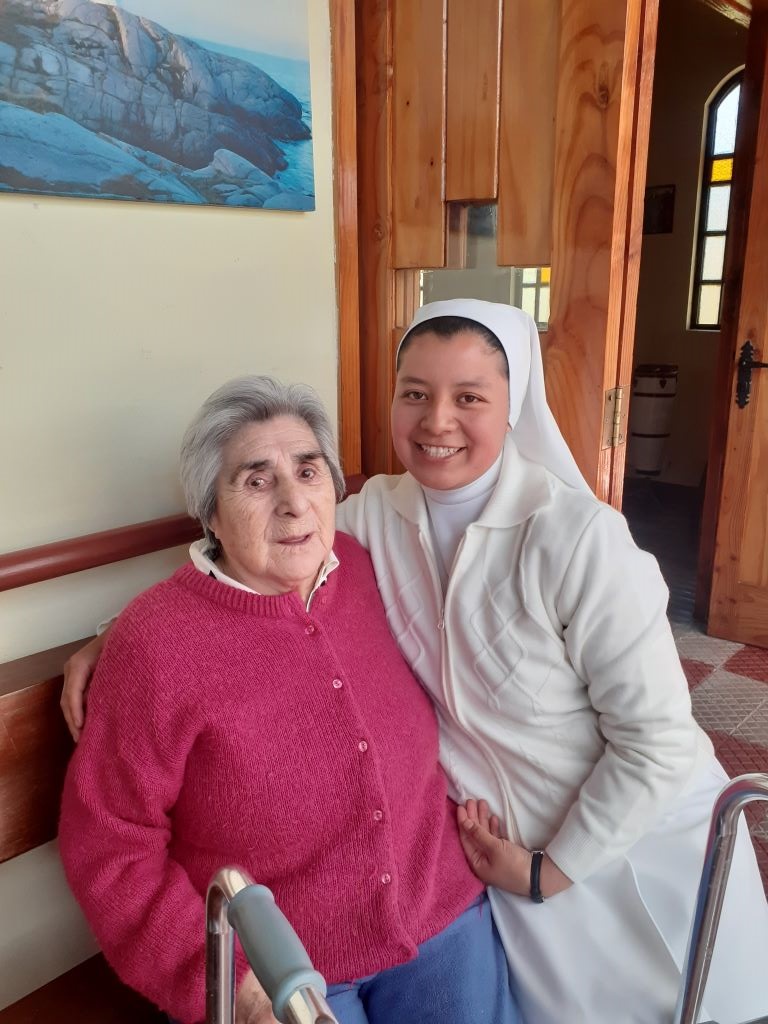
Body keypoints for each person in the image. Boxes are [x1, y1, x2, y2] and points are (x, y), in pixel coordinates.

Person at [63, 299, 768, 1023]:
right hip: (485, 870)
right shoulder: (372, 519)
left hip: (610, 843)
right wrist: (117, 636)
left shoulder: (578, 539)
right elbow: (233, 582)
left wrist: (546, 871)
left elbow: (655, 739)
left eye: (470, 397)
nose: (437, 421)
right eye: (415, 394)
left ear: (512, 406)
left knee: (681, 999)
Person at [58, 376, 520, 1024]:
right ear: (211, 514)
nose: (294, 503)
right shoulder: (153, 645)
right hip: (283, 973)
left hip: (440, 914)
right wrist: (229, 985)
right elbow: (112, 849)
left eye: (308, 472)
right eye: (255, 480)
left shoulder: (363, 562)